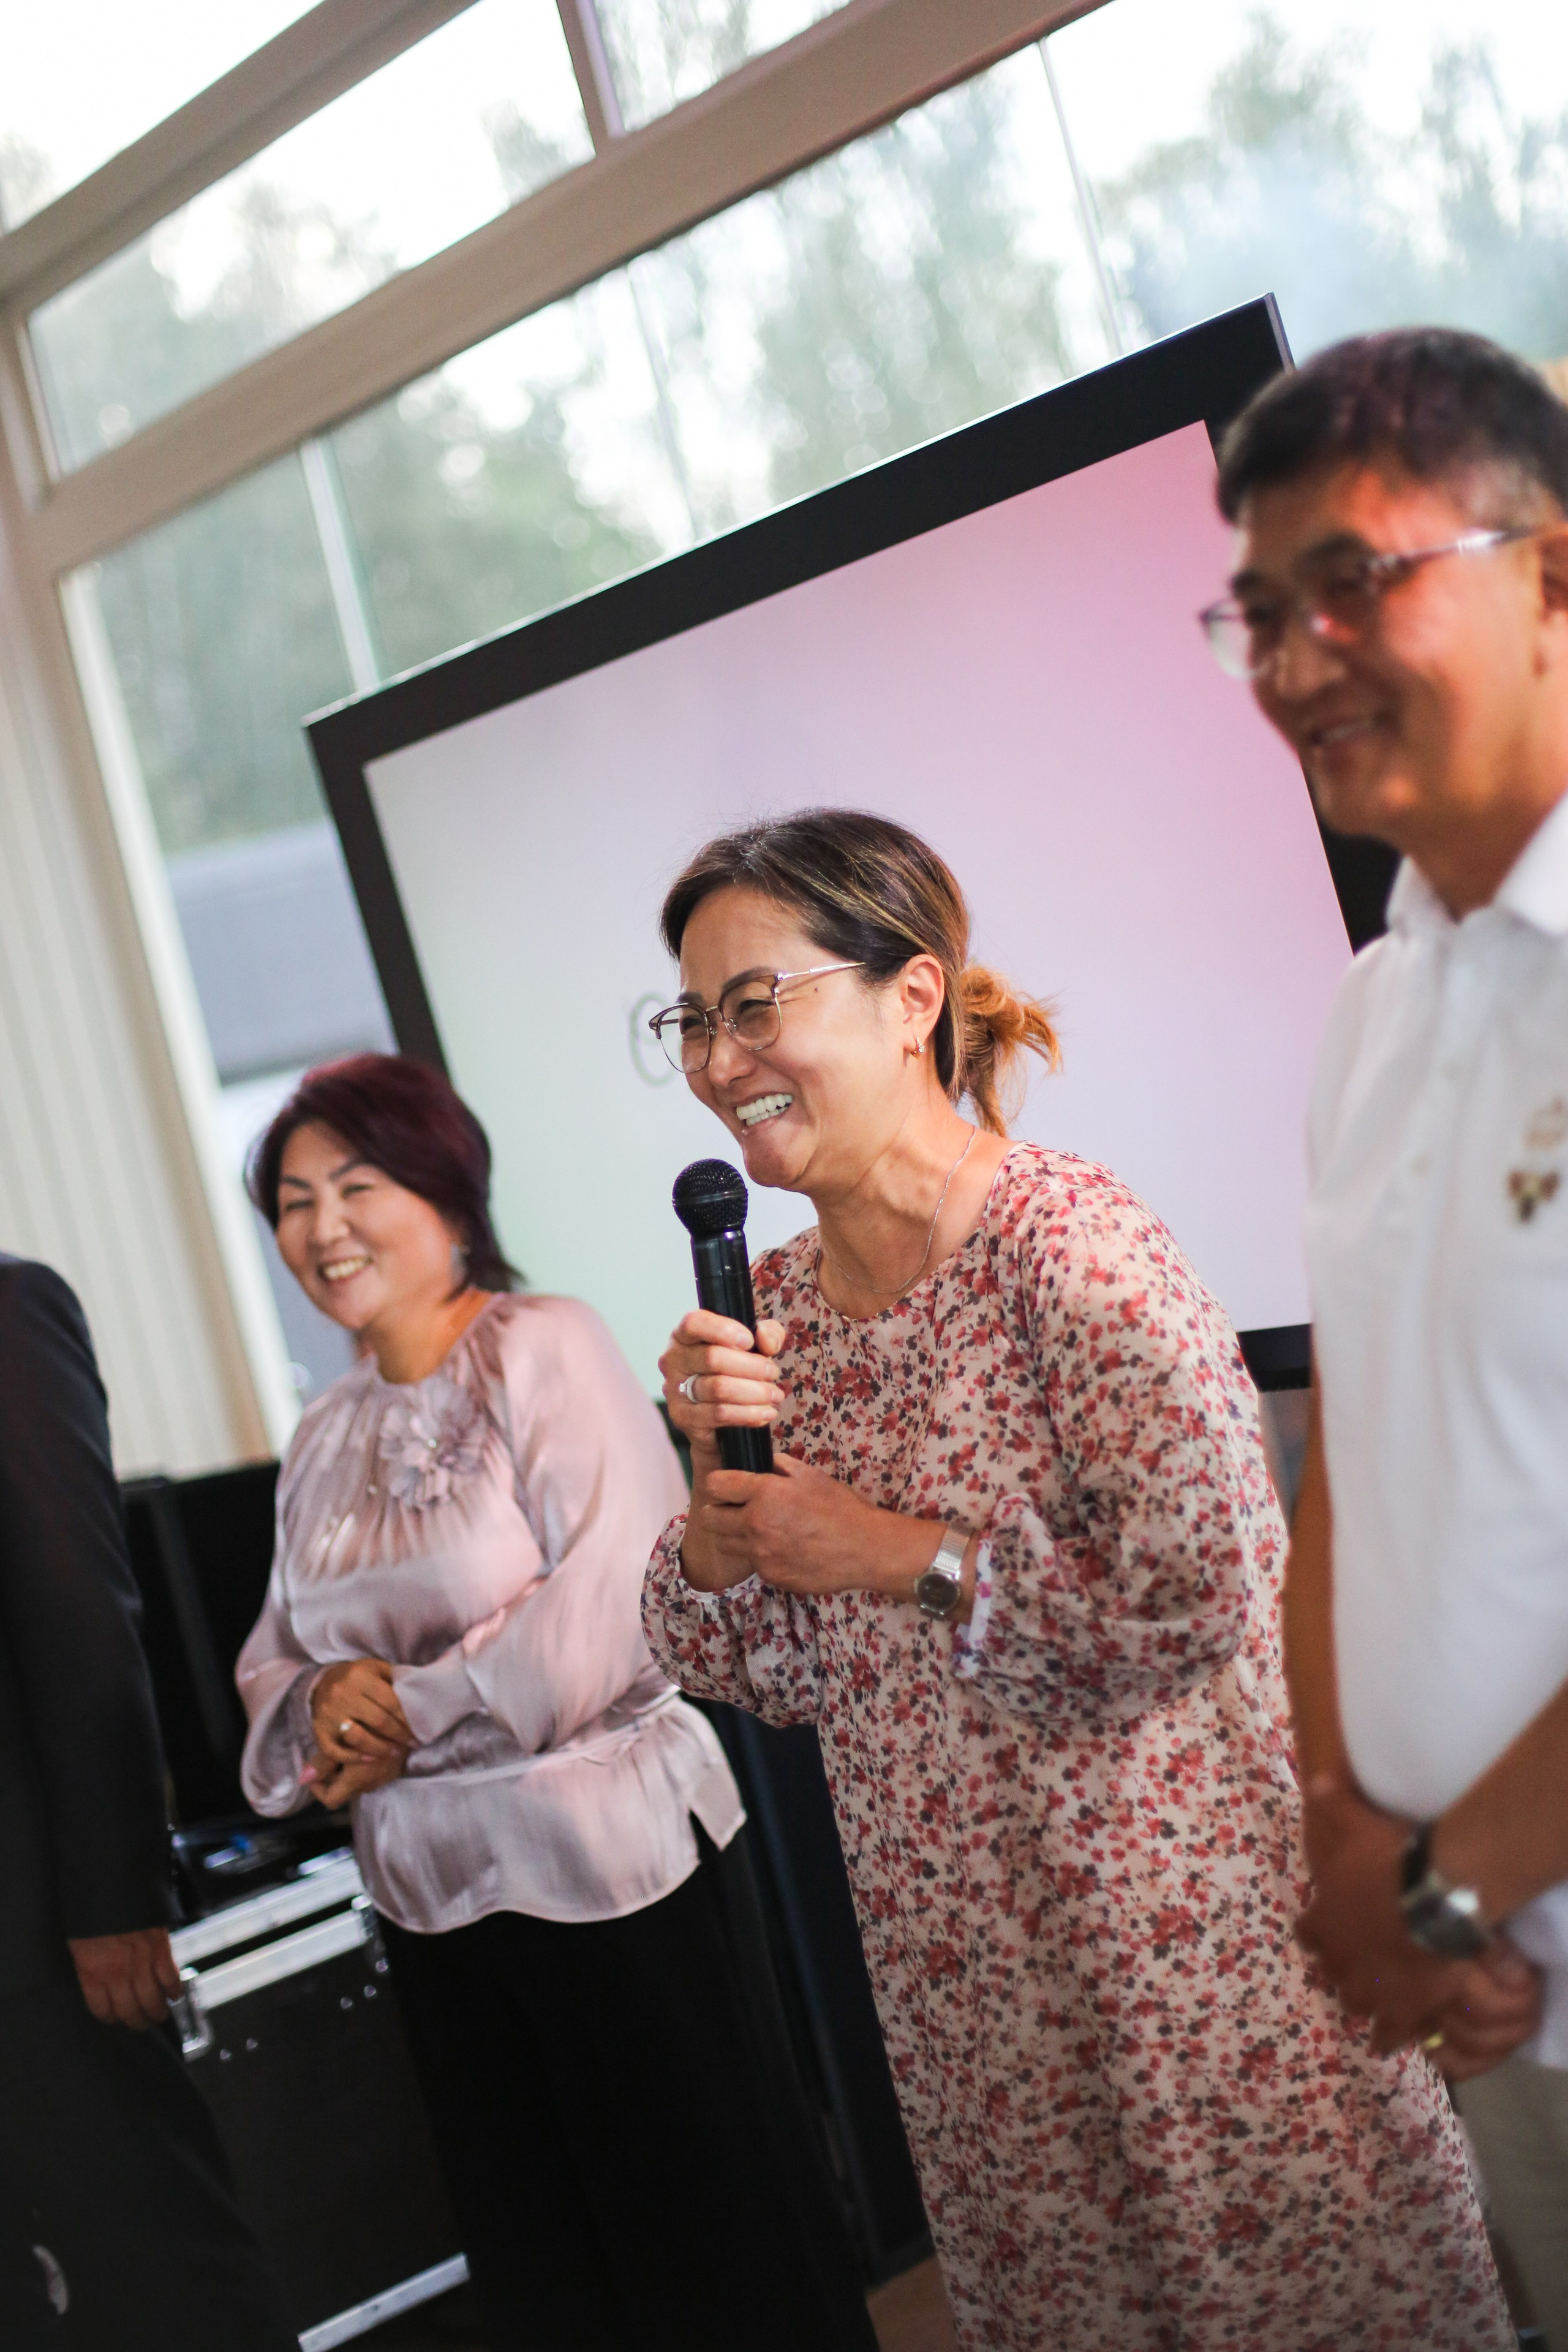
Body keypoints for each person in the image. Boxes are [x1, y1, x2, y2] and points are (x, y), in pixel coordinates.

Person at [638, 808, 1513, 2352]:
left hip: (1195, 1972)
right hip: (972, 2007)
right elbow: (769, 1670)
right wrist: (717, 1541)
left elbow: (1209, 1591)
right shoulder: (768, 1312)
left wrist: (900, 1554)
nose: (719, 1061)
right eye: (692, 1021)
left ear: (911, 1000)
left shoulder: (1068, 1246)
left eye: (753, 1003)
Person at [236, 1052, 877, 2352]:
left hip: (606, 1873)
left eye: (355, 1186)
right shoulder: (321, 1434)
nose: (322, 1228)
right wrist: (320, 1705)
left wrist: (402, 1709)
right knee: (549, 2272)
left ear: (448, 1194)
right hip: (427, 1898)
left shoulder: (547, 1343)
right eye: (294, 1202)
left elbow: (610, 1600)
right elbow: (273, 1654)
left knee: (708, 2250)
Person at [1207, 325, 1568, 2344]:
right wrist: (1349, 1834)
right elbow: (1360, 1458)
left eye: (1357, 582)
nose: (1297, 660)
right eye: (1261, 610)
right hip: (1497, 2000)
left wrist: (1427, 1888)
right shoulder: (1375, 1012)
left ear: (1554, 574)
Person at [0, 1253, 297, 2352]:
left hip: (38, 1942)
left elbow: (80, 1612)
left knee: (167, 2282)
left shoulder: (7, 1306)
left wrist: (116, 1892)